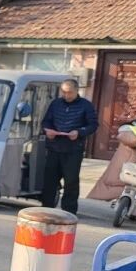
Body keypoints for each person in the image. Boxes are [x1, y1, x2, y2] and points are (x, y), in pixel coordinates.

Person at [39, 77, 99, 215]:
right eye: (64, 92)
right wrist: (47, 131)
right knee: (49, 180)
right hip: (54, 147)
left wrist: (79, 132)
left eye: (69, 92)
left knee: (71, 181)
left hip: (73, 149)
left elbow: (93, 125)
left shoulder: (86, 105)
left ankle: (69, 212)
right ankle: (46, 209)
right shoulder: (56, 104)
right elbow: (46, 122)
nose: (66, 95)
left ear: (77, 91)